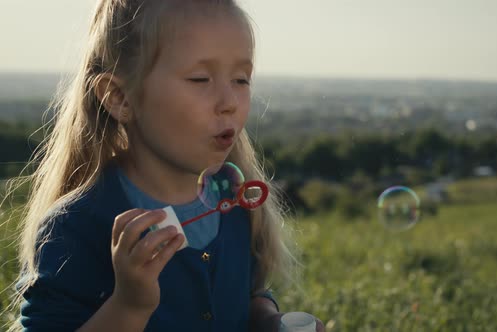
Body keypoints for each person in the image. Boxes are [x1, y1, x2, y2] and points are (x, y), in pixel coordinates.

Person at [10, 0, 325, 331]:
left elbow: (245, 294)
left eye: (241, 80)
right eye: (201, 79)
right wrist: (129, 306)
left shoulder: (235, 207)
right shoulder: (75, 227)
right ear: (120, 98)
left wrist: (268, 320)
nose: (230, 102)